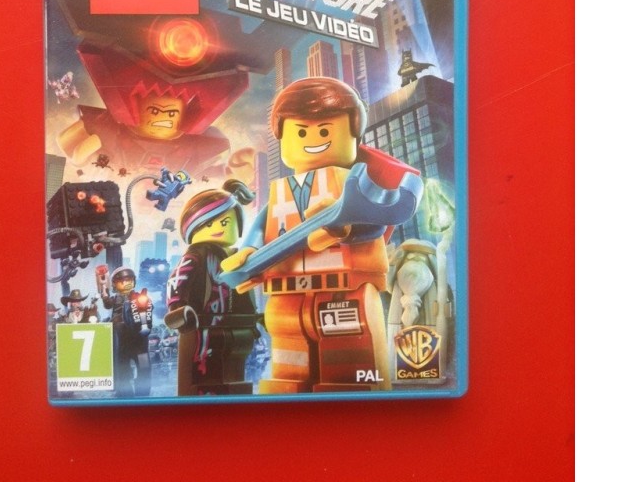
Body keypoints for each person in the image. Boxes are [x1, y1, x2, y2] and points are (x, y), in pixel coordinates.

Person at [221, 77, 423, 393]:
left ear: (353, 133)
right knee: (288, 348)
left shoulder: (354, 184)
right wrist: (248, 251)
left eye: (325, 130)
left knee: (346, 349)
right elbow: (263, 225)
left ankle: (349, 387)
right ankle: (289, 387)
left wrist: (343, 231)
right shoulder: (282, 192)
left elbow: (375, 224)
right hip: (287, 291)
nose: (313, 139)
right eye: (301, 132)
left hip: (344, 288)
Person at [165, 179, 260, 395]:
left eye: (225, 222)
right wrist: (177, 309)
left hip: (238, 325)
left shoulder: (238, 256)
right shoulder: (196, 255)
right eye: (208, 224)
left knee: (235, 377)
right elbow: (177, 280)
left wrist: (254, 317)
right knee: (202, 376)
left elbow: (245, 287)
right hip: (204, 328)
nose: (218, 228)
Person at [96, 265, 154, 397]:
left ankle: (143, 392)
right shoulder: (116, 298)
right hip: (121, 338)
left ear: (134, 281)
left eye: (129, 280)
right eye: (122, 281)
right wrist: (104, 292)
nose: (126, 283)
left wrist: (145, 305)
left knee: (144, 366)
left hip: (138, 339)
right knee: (122, 367)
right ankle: (123, 392)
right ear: (115, 284)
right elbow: (107, 304)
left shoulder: (139, 296)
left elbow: (148, 309)